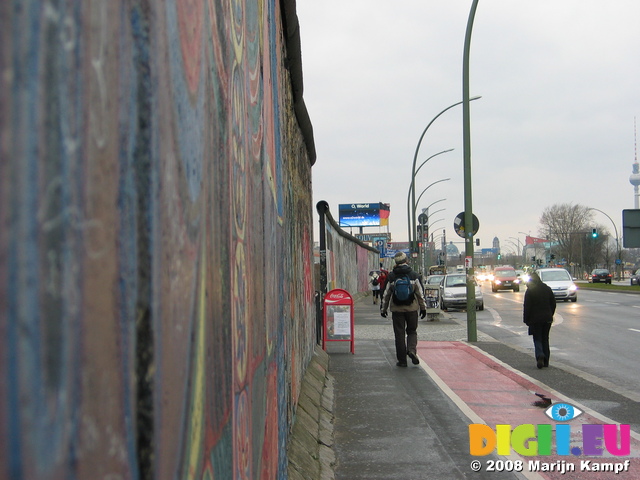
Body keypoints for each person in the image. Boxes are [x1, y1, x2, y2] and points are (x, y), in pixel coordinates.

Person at [380, 252, 427, 367]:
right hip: (412, 309)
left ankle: (402, 361)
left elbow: (386, 294)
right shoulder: (414, 275)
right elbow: (420, 294)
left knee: (399, 334)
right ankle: (411, 350)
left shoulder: (391, 276)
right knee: (412, 331)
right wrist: (423, 308)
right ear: (406, 261)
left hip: (397, 310)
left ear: (396, 262)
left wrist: (383, 309)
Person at [523, 271, 556, 369]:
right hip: (547, 318)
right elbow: (553, 303)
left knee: (537, 338)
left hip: (535, 319)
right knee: (545, 338)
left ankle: (540, 354)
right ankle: (546, 361)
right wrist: (550, 314)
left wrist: (526, 320)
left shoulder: (530, 291)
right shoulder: (547, 289)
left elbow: (527, 307)